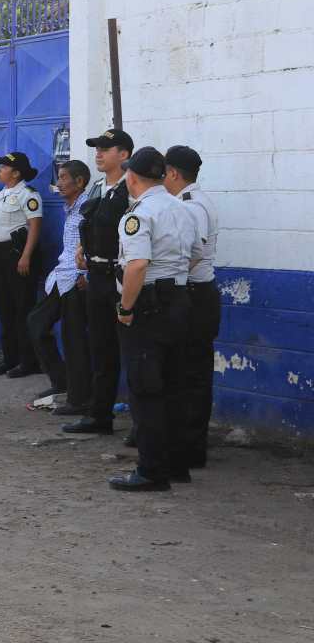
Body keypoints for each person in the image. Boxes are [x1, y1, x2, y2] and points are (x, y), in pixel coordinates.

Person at [106, 147, 198, 491]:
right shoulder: (182, 208)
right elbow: (197, 255)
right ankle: (176, 465)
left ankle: (151, 471)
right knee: (175, 387)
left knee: (146, 390)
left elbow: (137, 265)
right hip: (178, 301)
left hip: (147, 308)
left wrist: (127, 308)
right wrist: (171, 280)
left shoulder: (139, 214)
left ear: (131, 177)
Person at [64, 129, 134, 436]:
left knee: (131, 351)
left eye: (107, 148)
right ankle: (99, 415)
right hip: (96, 276)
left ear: (124, 154)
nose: (99, 153)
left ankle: (140, 425)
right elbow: (87, 222)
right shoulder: (97, 188)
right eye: (97, 148)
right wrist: (83, 249)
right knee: (101, 349)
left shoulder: (132, 188)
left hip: (121, 278)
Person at [163, 145, 220, 471]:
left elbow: (194, 250)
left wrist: (170, 276)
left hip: (195, 295)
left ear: (173, 173)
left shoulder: (192, 206)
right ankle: (188, 446)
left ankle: (190, 449)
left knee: (192, 375)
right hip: (197, 294)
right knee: (189, 373)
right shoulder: (192, 202)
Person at [27, 160, 92, 412]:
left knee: (75, 340)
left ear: (80, 182)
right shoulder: (71, 207)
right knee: (36, 323)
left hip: (76, 280)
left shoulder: (87, 207)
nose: (59, 182)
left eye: (64, 177)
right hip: (62, 277)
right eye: (59, 177)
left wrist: (87, 275)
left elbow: (93, 244)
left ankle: (79, 398)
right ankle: (62, 381)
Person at [0, 152, 43, 378]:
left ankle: (28, 361)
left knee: (22, 309)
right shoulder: (0, 196)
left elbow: (34, 226)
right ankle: (9, 359)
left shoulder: (28, 194)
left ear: (16, 173)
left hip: (17, 255)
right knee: (5, 309)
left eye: (4, 167)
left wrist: (26, 255)